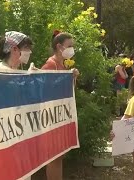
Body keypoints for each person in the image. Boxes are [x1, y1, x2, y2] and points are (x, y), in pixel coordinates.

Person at [0, 31, 34, 180]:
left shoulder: (18, 72)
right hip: (8, 143)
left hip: (20, 139)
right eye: (26, 47)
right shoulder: (1, 73)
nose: (29, 52)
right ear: (14, 49)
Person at [41, 31, 79, 180]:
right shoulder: (50, 65)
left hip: (60, 117)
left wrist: (72, 78)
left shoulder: (61, 65)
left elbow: (67, 93)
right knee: (53, 158)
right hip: (52, 119)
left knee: (59, 157)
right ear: (59, 47)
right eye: (69, 46)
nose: (72, 49)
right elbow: (42, 90)